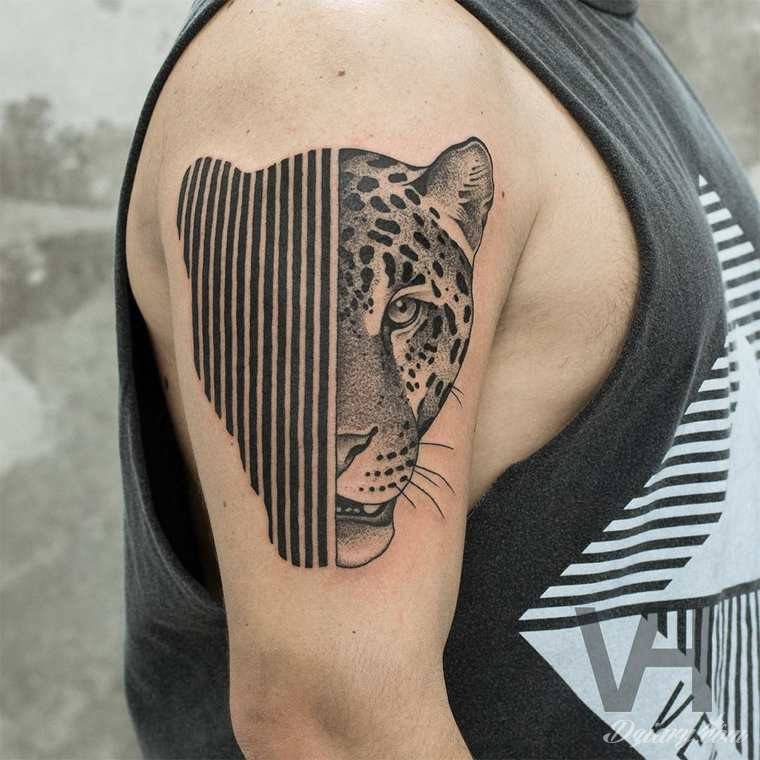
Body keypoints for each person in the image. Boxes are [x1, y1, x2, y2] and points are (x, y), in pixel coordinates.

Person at [117, 0, 760, 757]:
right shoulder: (355, 51)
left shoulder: (587, 31)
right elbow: (334, 722)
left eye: (404, 313)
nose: (350, 423)